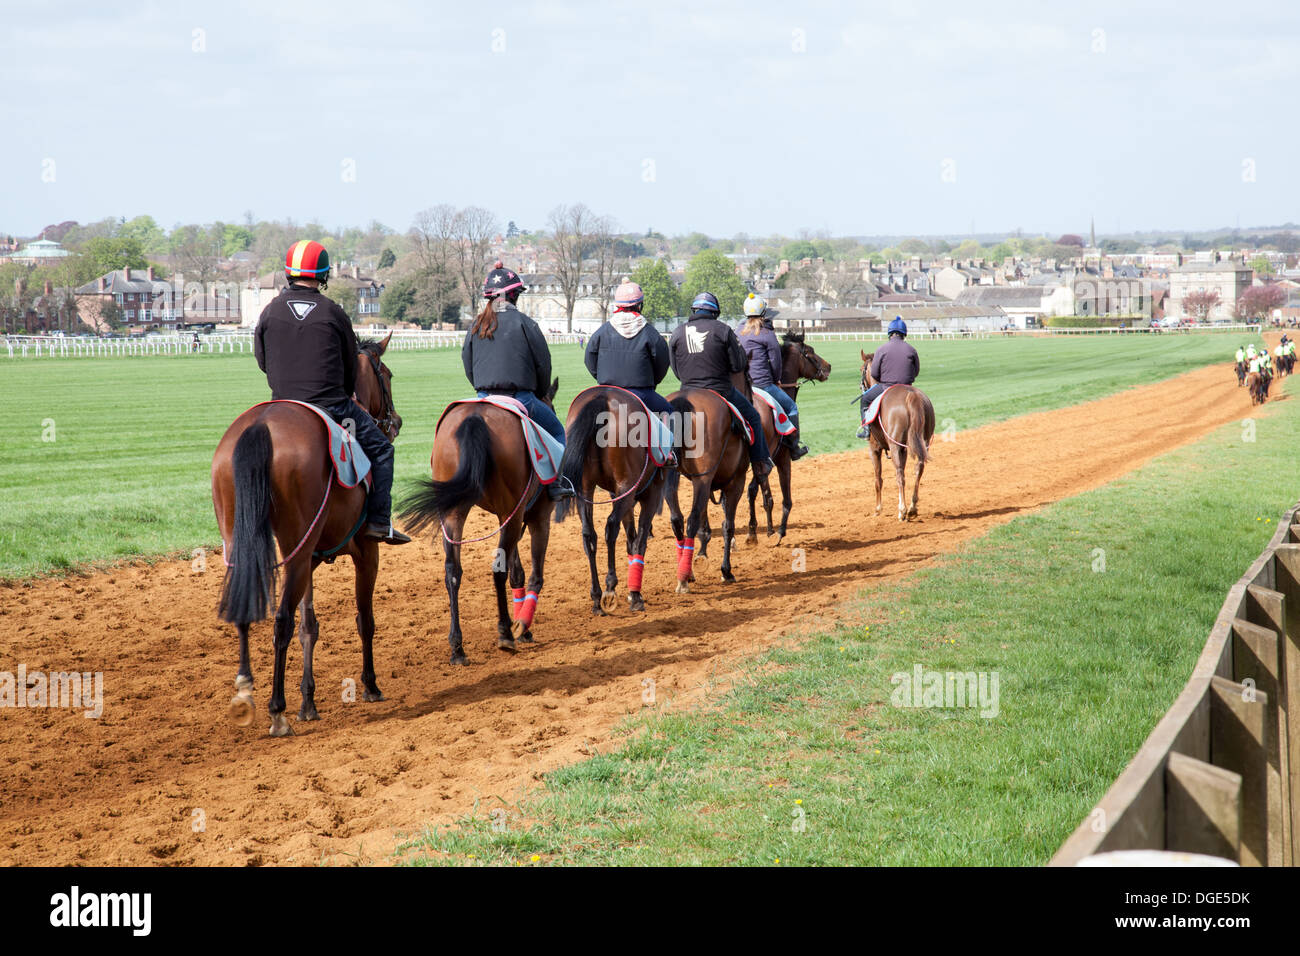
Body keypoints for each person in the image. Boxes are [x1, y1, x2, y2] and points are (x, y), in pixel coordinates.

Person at [254, 239, 409, 544]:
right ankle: (379, 522)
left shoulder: (270, 311)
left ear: (289, 273)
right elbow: (352, 368)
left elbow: (262, 361)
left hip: (281, 404)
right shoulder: (332, 311)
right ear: (323, 275)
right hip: (331, 405)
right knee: (382, 450)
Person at [461, 261, 574, 500]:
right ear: (513, 296)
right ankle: (556, 484)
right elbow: (544, 364)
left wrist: (481, 390)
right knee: (557, 432)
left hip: (483, 397)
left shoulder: (476, 324)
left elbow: (467, 363)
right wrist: (542, 392)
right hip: (520, 399)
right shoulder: (526, 323)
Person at [668, 291, 774, 480]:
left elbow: (675, 369)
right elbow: (737, 365)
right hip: (720, 390)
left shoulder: (677, 332)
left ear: (694, 310)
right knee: (754, 416)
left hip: (686, 390)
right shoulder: (724, 330)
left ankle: (669, 457)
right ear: (715, 313)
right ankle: (760, 462)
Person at [584, 279, 675, 420]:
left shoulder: (602, 331)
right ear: (639, 305)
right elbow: (662, 363)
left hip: (606, 392)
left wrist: (602, 378)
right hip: (641, 393)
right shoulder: (650, 333)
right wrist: (652, 382)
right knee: (670, 413)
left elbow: (589, 358)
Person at [737, 293, 808, 460]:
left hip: (741, 385)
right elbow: (776, 362)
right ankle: (794, 447)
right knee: (791, 408)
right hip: (762, 384)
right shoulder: (767, 333)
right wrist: (777, 379)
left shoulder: (737, 331)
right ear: (764, 312)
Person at [856, 316, 920, 440]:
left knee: (865, 399)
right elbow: (916, 372)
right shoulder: (912, 350)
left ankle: (866, 431)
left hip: (886, 386)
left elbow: (874, 373)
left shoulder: (881, 349)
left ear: (890, 334)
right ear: (904, 334)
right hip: (908, 388)